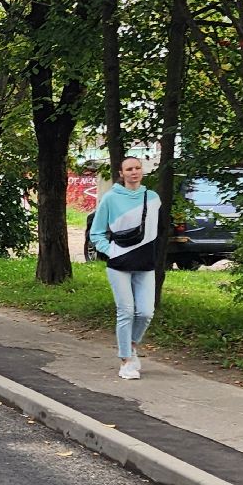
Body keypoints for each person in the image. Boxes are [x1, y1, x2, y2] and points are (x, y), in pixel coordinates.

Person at [88, 156, 160, 379]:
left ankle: (131, 345)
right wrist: (111, 251)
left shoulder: (154, 198)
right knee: (126, 310)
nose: (134, 172)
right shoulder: (111, 198)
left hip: (145, 263)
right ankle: (125, 361)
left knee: (146, 312)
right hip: (119, 264)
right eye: (129, 169)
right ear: (121, 173)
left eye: (138, 168)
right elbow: (96, 232)